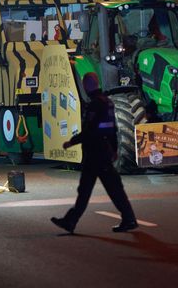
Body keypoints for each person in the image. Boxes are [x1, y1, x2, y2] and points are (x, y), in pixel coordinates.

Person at [51, 72, 138, 233]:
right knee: (109, 188)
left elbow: (90, 130)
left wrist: (72, 142)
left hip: (95, 154)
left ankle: (128, 219)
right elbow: (113, 129)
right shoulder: (108, 103)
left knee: (91, 190)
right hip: (104, 152)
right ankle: (127, 219)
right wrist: (115, 149)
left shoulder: (94, 105)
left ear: (87, 86)